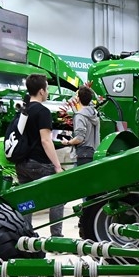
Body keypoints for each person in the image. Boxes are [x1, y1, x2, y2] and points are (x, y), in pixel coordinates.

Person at [14, 73, 65, 236]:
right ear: (41, 91)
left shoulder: (22, 111)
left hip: (22, 162)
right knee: (59, 195)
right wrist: (57, 166)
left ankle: (25, 235)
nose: (47, 92)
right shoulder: (43, 111)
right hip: (39, 163)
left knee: (27, 200)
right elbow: (46, 141)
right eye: (47, 89)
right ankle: (56, 237)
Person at [67, 84, 99, 164]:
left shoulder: (80, 116)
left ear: (78, 98)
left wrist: (68, 142)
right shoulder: (94, 114)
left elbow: (79, 138)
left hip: (83, 155)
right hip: (94, 153)